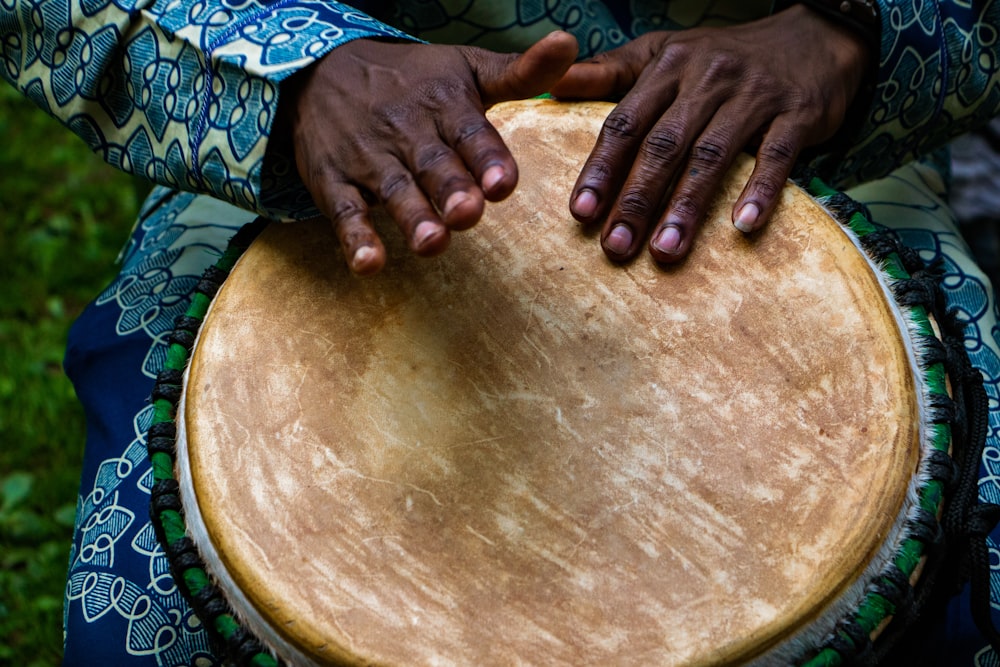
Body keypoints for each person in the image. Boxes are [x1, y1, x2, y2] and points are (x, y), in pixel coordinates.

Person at [2, 0, 999, 663]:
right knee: (145, 618)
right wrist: (295, 69)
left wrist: (841, 35)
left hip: (792, 147)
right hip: (323, 156)